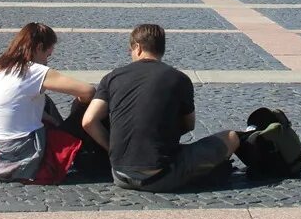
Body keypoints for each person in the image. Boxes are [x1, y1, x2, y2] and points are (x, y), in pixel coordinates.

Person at [82, 24, 241, 192]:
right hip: (160, 176)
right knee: (231, 137)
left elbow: (88, 121)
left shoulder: (111, 77)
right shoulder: (179, 78)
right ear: (161, 49)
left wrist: (113, 149)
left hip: (119, 174)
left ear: (138, 47)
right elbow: (189, 125)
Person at [0, 23, 97, 183]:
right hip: (23, 150)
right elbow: (88, 91)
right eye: (47, 56)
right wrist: (80, 103)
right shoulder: (34, 70)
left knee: (43, 99)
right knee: (90, 106)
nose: (47, 62)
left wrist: (49, 118)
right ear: (39, 47)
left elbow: (15, 103)